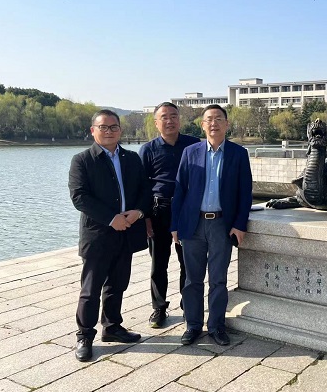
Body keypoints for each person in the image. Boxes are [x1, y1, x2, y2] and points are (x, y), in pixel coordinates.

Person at [68, 109, 152, 362]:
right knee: (91, 289)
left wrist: (138, 212)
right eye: (103, 127)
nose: (108, 131)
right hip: (98, 235)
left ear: (120, 130)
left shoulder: (131, 158)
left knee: (118, 283)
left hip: (126, 232)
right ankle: (84, 335)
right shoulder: (82, 160)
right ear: (93, 130)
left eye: (113, 127)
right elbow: (79, 197)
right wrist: (111, 218)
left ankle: (112, 326)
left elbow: (145, 190)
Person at [170, 104, 253, 346]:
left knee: (218, 279)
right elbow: (179, 190)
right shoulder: (191, 152)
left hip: (221, 224)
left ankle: (216, 326)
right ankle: (193, 325)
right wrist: (175, 225)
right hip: (193, 225)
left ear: (227, 124)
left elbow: (245, 193)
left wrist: (240, 224)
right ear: (202, 125)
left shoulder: (238, 154)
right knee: (192, 279)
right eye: (209, 119)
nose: (213, 123)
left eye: (218, 119)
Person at [139, 102, 200, 328]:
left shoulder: (193, 145)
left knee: (188, 262)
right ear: (156, 122)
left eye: (174, 116)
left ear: (179, 120)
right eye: (164, 117)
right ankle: (159, 307)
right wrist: (146, 218)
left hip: (186, 211)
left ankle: (188, 305)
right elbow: (141, 187)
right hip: (159, 211)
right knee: (159, 263)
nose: (169, 120)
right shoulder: (148, 149)